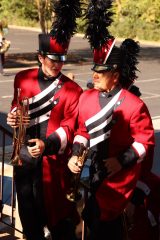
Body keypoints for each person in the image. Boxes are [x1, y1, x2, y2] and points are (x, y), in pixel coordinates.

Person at [67, 1, 155, 239]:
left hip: (122, 181)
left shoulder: (134, 105)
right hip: (95, 173)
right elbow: (83, 131)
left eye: (100, 72)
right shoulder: (86, 98)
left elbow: (144, 143)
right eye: (93, 70)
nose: (93, 76)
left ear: (115, 76)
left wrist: (120, 160)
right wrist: (76, 153)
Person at [6, 1, 82, 239]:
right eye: (52, 59)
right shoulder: (22, 78)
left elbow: (70, 126)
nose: (57, 65)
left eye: (61, 60)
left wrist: (46, 145)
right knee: (29, 221)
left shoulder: (72, 89)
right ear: (40, 57)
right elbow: (18, 108)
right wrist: (12, 117)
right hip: (24, 159)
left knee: (58, 221)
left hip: (52, 163)